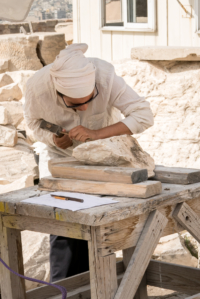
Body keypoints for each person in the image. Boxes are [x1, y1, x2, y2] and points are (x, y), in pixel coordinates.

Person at [24, 43, 154, 282]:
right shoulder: (36, 87)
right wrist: (52, 139)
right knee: (65, 229)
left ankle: (104, 286)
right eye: (74, 104)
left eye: (89, 99)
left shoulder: (105, 75)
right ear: (57, 92)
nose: (83, 108)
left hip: (105, 158)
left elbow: (144, 116)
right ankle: (64, 290)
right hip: (63, 162)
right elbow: (33, 124)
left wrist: (97, 134)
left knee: (103, 224)